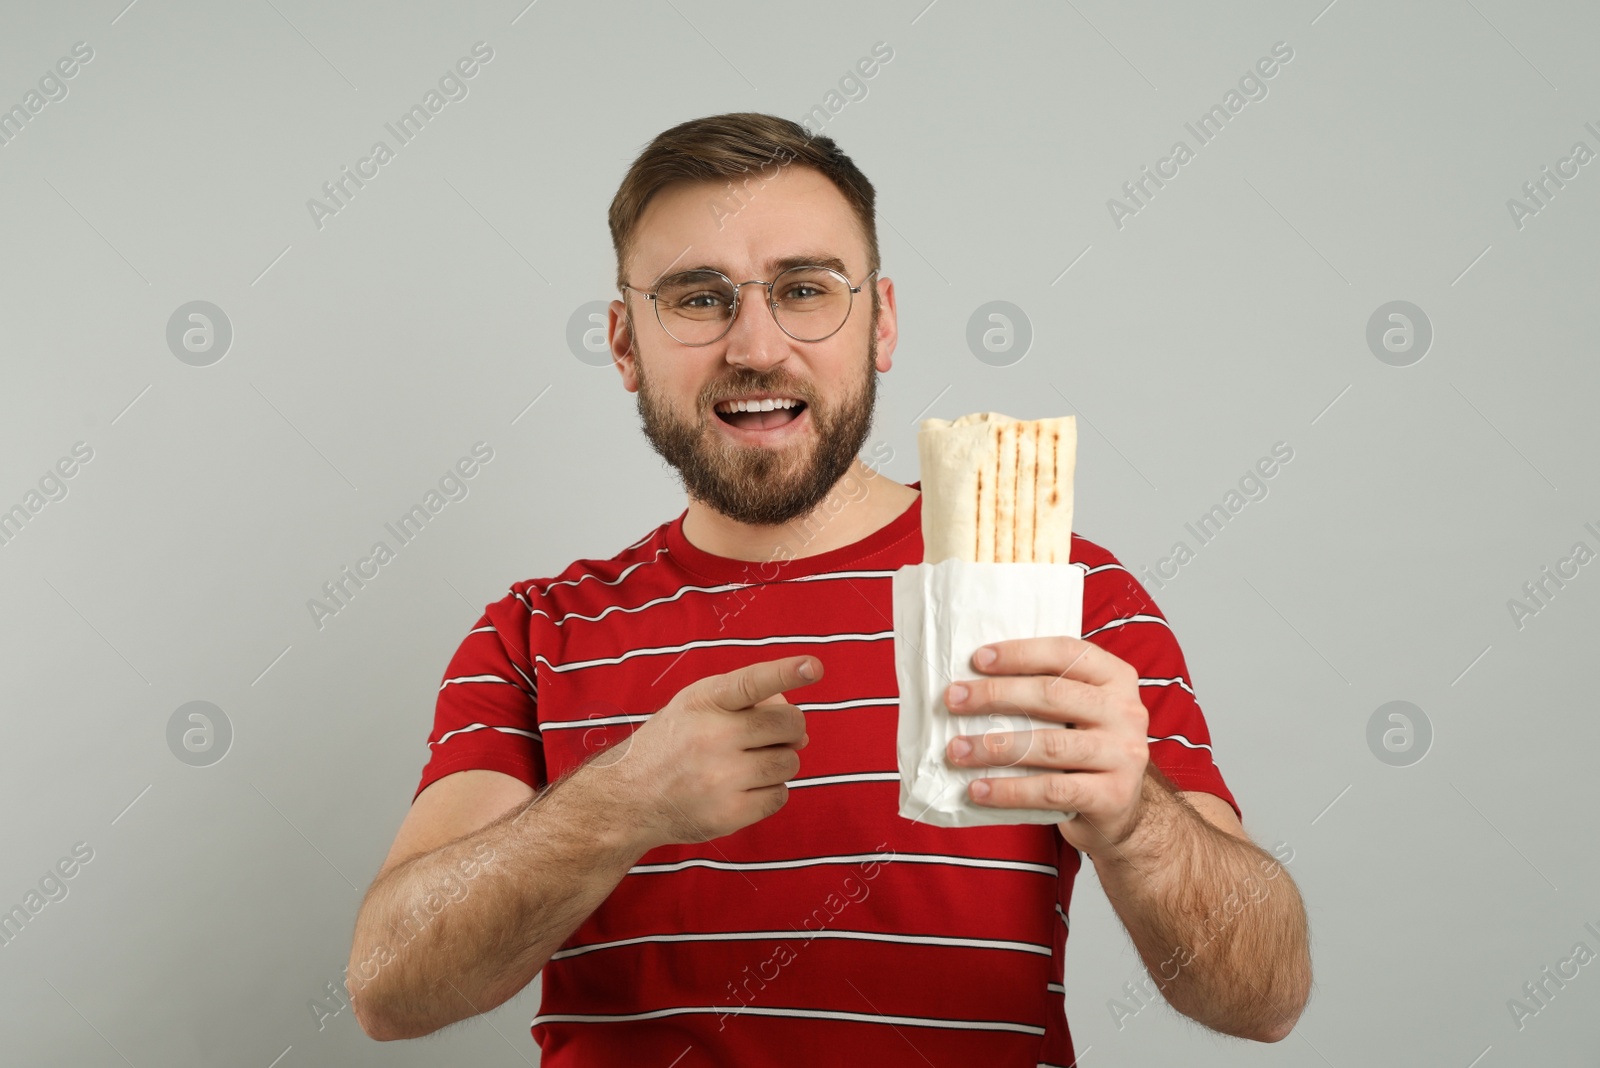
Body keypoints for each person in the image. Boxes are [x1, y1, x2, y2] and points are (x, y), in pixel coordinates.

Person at [347, 112, 1311, 1064]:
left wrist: (1135, 817)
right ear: (625, 343)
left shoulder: (1062, 594)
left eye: (804, 290)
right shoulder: (539, 631)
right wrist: (622, 802)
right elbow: (390, 987)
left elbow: (1264, 996)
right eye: (697, 297)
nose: (757, 348)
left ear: (881, 322)